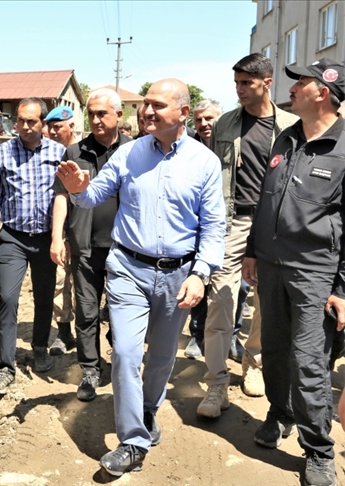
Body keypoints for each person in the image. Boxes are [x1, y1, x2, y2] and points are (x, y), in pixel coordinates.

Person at [57, 79, 226, 477]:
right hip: (128, 270)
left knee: (161, 358)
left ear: (183, 113)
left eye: (157, 105)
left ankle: (148, 410)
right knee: (128, 355)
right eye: (145, 104)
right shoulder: (129, 154)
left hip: (179, 274)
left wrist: (201, 273)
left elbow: (214, 226)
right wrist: (79, 188)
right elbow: (93, 194)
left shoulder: (204, 162)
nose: (147, 111)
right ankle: (132, 440)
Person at [242, 58, 345, 486]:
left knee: (309, 363)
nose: (292, 88)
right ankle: (279, 414)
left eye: (300, 82)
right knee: (276, 351)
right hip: (271, 265)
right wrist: (252, 251)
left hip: (315, 273)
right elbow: (267, 200)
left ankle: (319, 450)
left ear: (322, 91)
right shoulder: (285, 137)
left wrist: (342, 287)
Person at [198, 54, 301, 419]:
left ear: (266, 83)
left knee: (266, 301)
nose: (240, 90)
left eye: (247, 83)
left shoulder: (291, 124)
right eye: (237, 83)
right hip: (234, 222)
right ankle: (216, 383)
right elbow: (211, 177)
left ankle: (254, 362)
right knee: (220, 299)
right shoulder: (226, 123)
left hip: (276, 225)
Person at [53, 88, 132, 402]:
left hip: (125, 250)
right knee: (86, 312)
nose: (97, 120)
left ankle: (121, 363)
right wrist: (58, 237)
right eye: (92, 114)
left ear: (118, 116)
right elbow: (61, 195)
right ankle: (89, 369)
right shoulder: (74, 152)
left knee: (121, 311)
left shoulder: (135, 150)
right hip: (85, 247)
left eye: (103, 113)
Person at [0, 97, 64, 394]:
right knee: (8, 298)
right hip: (13, 238)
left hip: (44, 241)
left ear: (43, 123)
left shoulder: (59, 153)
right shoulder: (2, 153)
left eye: (32, 121)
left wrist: (61, 237)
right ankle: (6, 366)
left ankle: (39, 346)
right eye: (20, 121)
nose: (25, 126)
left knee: (43, 298)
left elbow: (66, 199)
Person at [183, 99, 223, 359]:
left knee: (234, 288)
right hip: (197, 226)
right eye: (198, 120)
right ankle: (197, 336)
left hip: (227, 222)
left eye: (209, 118)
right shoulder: (188, 149)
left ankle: (229, 338)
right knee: (200, 279)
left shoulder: (230, 146)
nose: (204, 124)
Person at [42, 106, 77, 357]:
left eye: (59, 127)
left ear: (71, 127)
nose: (53, 132)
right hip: (59, 229)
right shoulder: (47, 153)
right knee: (60, 282)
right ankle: (64, 332)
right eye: (51, 127)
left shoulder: (82, 152)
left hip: (85, 229)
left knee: (87, 284)